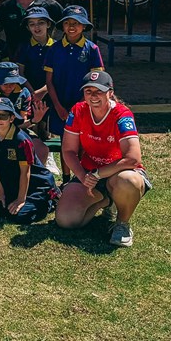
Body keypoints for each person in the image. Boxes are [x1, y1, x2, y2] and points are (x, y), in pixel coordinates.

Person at [55, 71, 151, 247]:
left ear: (110, 92)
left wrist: (97, 175)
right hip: (90, 172)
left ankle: (122, 224)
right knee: (65, 220)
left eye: (99, 91)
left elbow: (132, 158)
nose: (93, 96)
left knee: (128, 181)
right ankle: (107, 200)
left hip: (120, 171)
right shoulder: (77, 111)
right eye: (88, 91)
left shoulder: (122, 114)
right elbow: (68, 150)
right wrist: (83, 176)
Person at [45, 5, 104, 181]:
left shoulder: (91, 49)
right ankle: (66, 179)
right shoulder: (54, 49)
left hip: (84, 105)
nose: (72, 27)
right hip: (60, 104)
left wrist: (79, 106)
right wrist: (58, 107)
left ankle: (83, 177)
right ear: (62, 26)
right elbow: (49, 80)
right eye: (68, 23)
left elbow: (97, 80)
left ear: (84, 27)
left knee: (84, 143)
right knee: (66, 143)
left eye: (77, 23)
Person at [0, 97, 58, 224]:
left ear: (12, 118)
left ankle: (50, 200)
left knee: (21, 216)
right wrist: (0, 192)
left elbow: (25, 171)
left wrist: (21, 200)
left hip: (35, 183)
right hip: (13, 182)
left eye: (3, 116)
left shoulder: (21, 140)